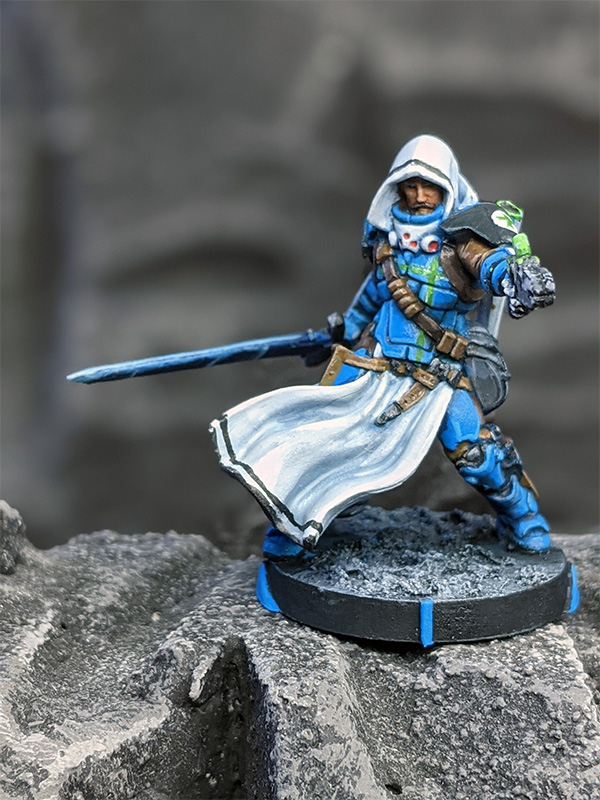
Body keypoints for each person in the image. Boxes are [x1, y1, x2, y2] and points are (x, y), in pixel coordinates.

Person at [210, 135, 555, 553]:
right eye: (411, 186)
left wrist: (515, 277)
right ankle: (299, 522)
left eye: (430, 187)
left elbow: (489, 264)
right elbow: (374, 295)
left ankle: (523, 517)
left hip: (439, 373)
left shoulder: (463, 241)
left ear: (447, 188)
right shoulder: (386, 240)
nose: (420, 196)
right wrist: (340, 331)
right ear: (397, 187)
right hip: (377, 362)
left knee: (475, 454)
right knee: (324, 431)